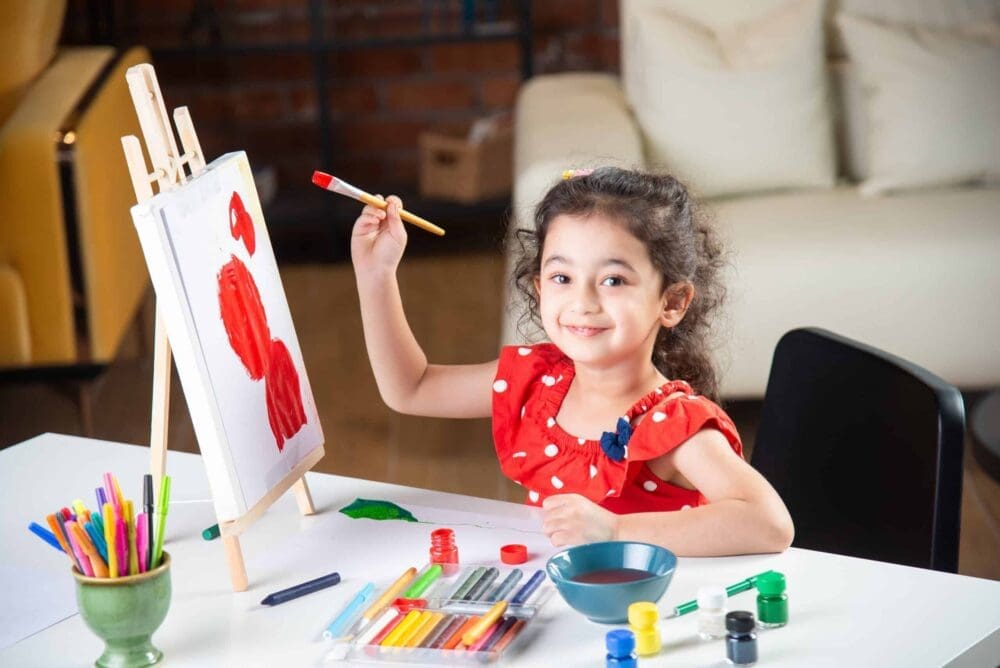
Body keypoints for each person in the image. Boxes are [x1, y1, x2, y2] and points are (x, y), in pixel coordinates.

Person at [350, 166, 793, 556]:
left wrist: (616, 529)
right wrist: (376, 275)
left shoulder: (673, 427)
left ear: (672, 301)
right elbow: (411, 387)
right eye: (562, 277)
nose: (582, 302)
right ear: (540, 287)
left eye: (613, 280)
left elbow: (769, 524)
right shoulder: (535, 379)